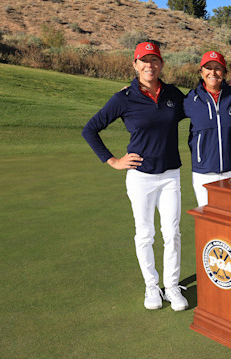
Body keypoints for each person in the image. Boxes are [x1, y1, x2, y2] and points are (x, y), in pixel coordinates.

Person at [82, 42, 189, 311]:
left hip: (169, 176)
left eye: (154, 60)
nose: (149, 65)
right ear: (135, 64)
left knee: (172, 234)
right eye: (144, 60)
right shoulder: (124, 97)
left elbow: (199, 110)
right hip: (140, 177)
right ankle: (151, 286)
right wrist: (113, 161)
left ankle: (172, 286)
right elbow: (90, 129)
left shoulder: (174, 95)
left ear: (162, 64)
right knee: (145, 234)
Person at [184, 51, 231, 207]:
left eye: (218, 68)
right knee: (210, 225)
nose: (213, 72)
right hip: (203, 173)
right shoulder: (191, 99)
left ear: (224, 72)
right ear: (201, 71)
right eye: (208, 67)